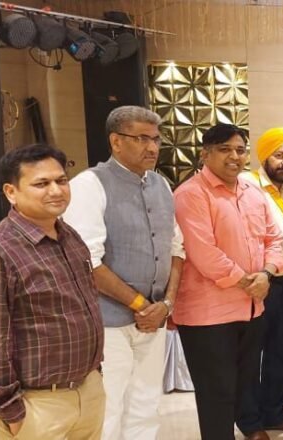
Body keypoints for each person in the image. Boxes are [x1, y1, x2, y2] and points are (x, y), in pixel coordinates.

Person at [63, 106, 185, 440]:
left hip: (154, 317)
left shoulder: (161, 184)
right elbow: (86, 262)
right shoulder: (89, 184)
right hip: (108, 321)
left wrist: (166, 305)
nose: (152, 147)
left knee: (146, 404)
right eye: (142, 138)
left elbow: (177, 249)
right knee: (109, 406)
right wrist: (140, 305)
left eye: (156, 139)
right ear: (116, 141)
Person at [173, 123, 283, 440]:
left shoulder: (253, 192)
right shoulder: (190, 194)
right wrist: (247, 281)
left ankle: (249, 425)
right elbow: (203, 252)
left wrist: (267, 273)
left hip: (251, 307)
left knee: (246, 379)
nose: (234, 156)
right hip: (208, 313)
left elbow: (274, 238)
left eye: (239, 150)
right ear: (205, 154)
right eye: (224, 149)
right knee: (216, 390)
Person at [0, 144, 105, 440]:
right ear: (11, 192)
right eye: (41, 184)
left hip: (87, 390)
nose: (56, 190)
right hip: (37, 403)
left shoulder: (69, 236)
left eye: (61, 180)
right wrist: (9, 410)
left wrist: (94, 376)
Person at [238, 127, 283, 434]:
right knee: (251, 355)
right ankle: (250, 422)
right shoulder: (248, 184)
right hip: (259, 283)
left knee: (282, 351)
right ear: (265, 156)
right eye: (279, 155)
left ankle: (275, 413)